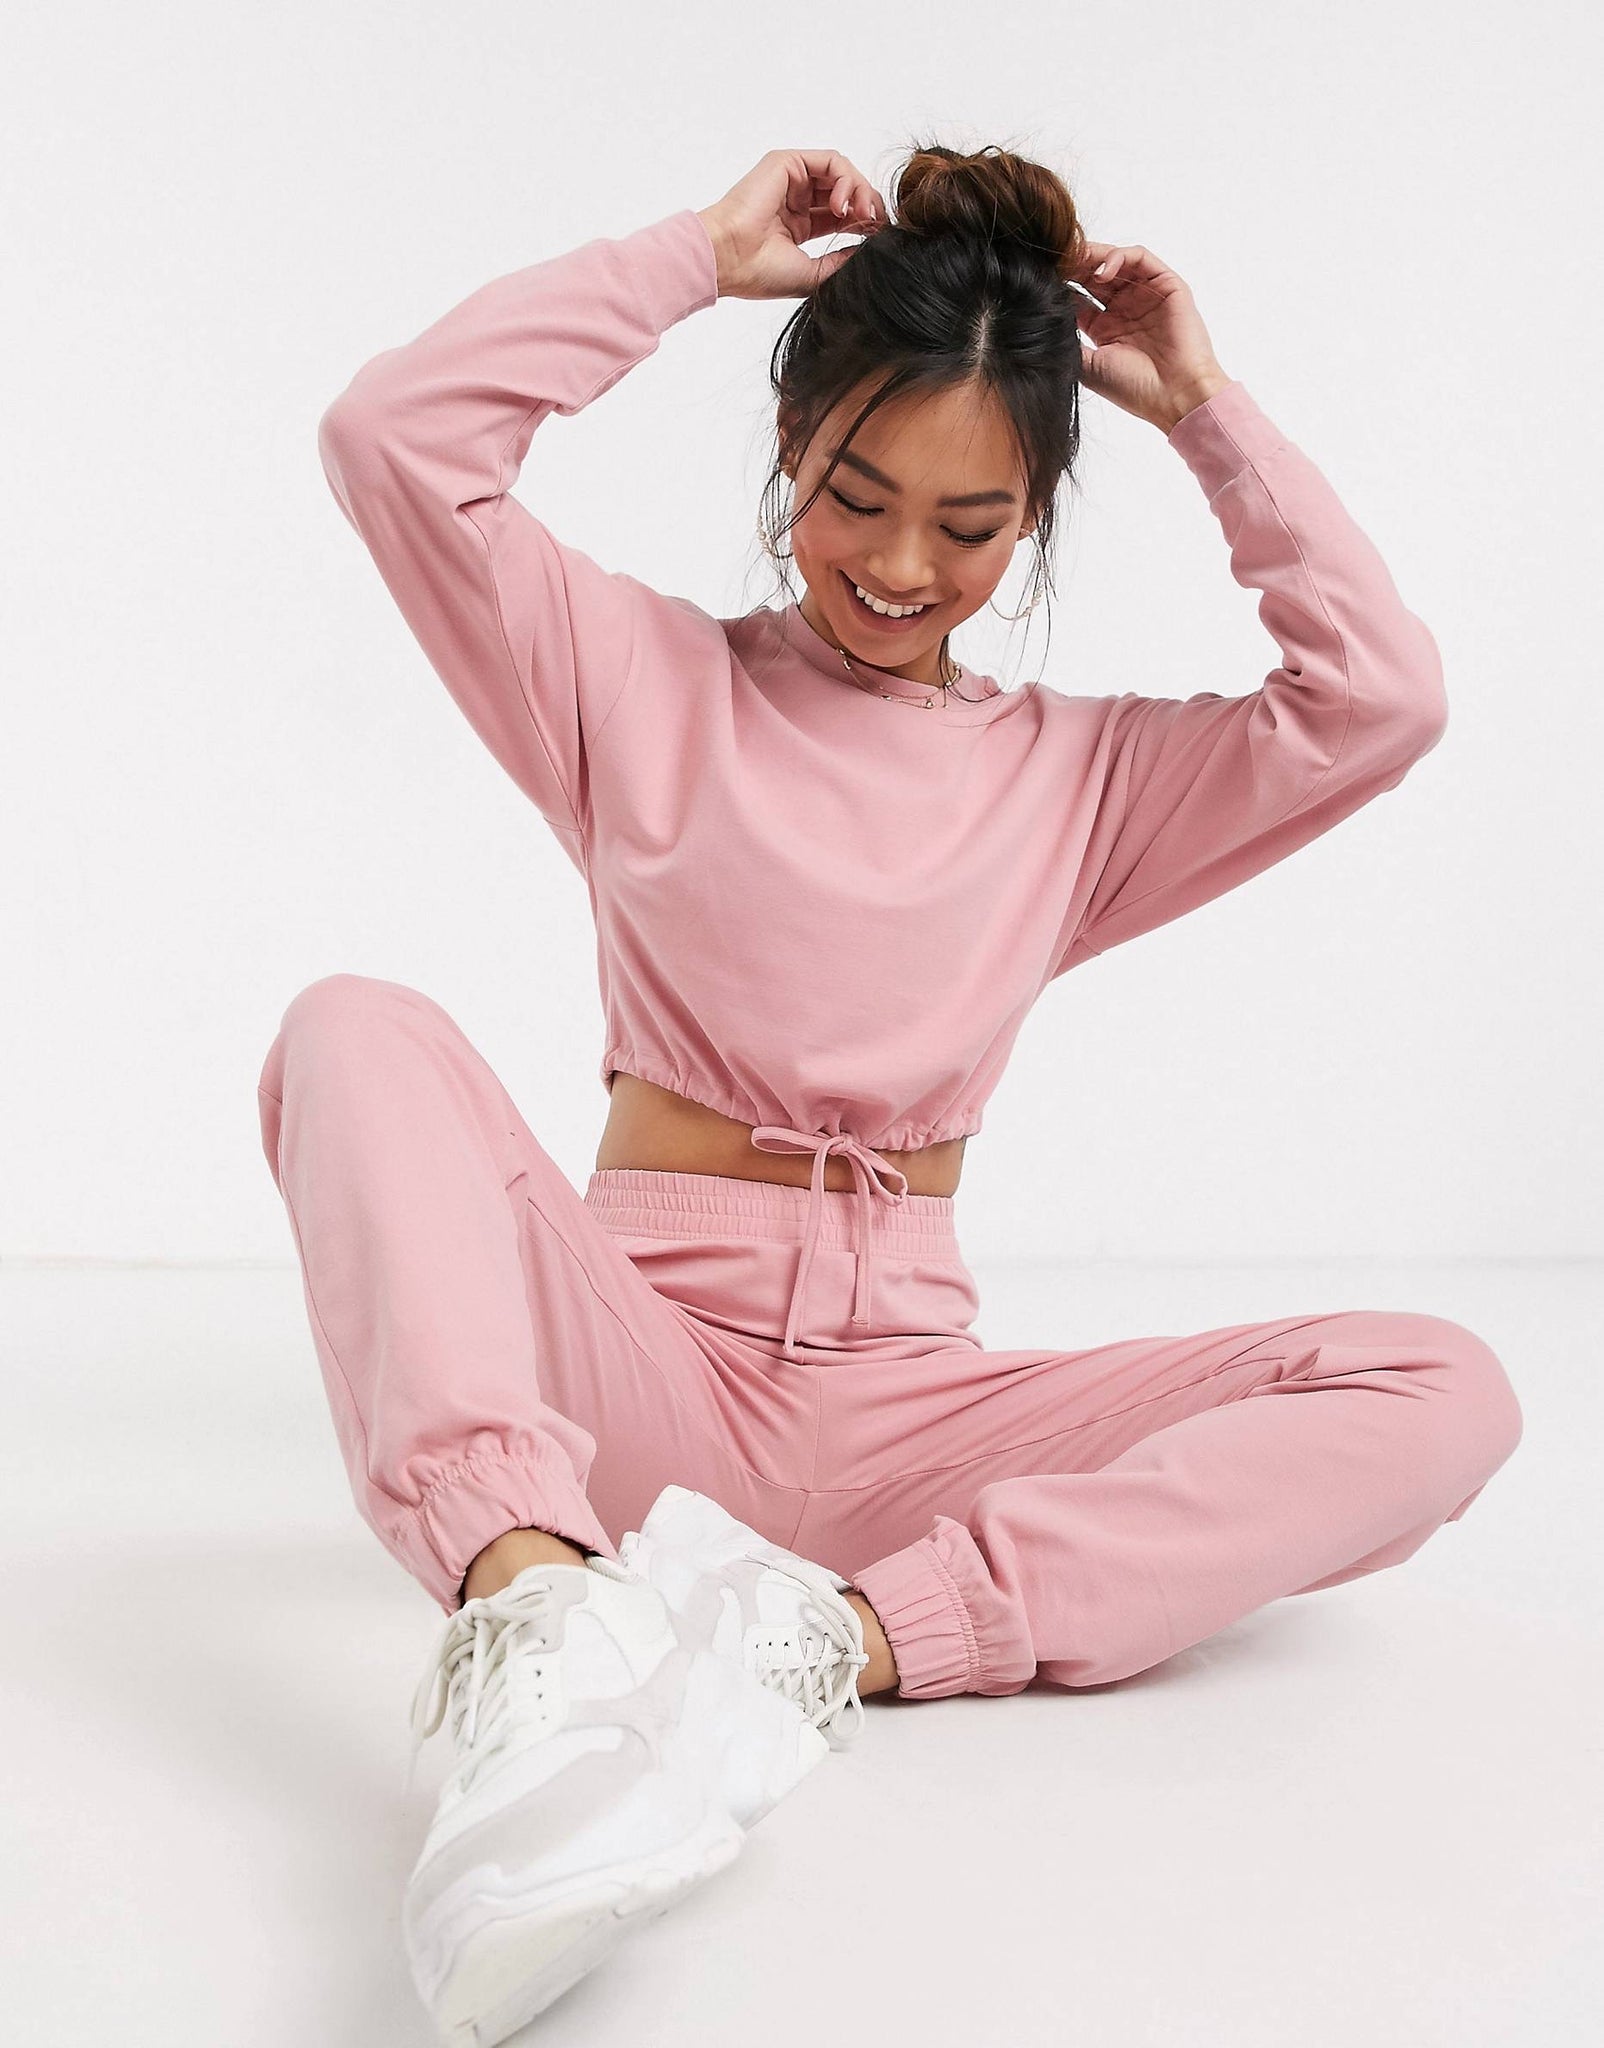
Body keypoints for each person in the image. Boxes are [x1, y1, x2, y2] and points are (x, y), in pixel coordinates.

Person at [256, 140, 1524, 2038]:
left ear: (1034, 525)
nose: (901, 567)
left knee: (1445, 1386)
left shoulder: (1087, 784)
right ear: (790, 446)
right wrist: (689, 259)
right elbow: (394, 440)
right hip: (637, 1376)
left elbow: (1380, 700)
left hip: (913, 1432)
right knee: (352, 1026)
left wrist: (1207, 413)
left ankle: (817, 1648)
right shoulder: (630, 676)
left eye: (971, 525)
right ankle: (537, 1617)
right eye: (857, 496)